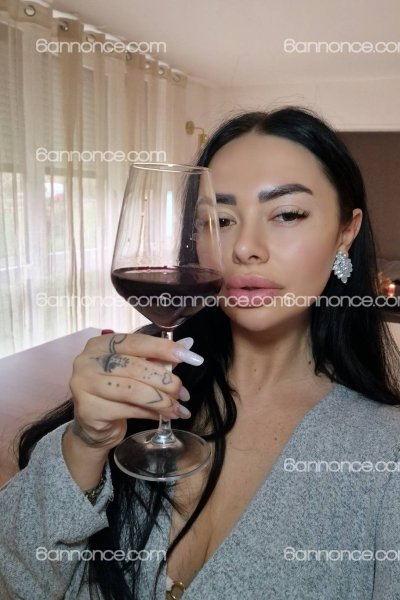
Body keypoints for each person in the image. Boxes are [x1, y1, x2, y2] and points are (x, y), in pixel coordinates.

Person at [1, 107, 400, 600]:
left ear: (346, 231)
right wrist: (84, 443)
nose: (245, 248)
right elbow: (18, 580)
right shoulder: (140, 385)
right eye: (221, 219)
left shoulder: (385, 456)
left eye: (287, 214)